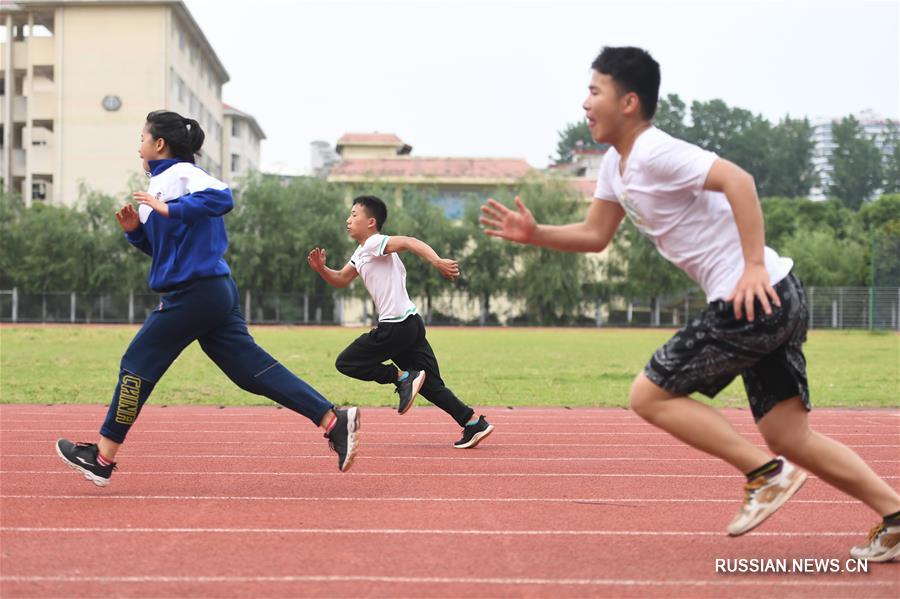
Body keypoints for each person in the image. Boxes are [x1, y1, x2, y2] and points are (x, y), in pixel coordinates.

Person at [480, 46, 900, 561]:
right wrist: (535, 233)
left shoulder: (657, 152)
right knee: (787, 433)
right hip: (778, 293)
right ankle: (895, 516)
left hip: (752, 295)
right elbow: (595, 234)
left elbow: (738, 180)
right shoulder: (616, 164)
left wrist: (751, 267)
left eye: (595, 91)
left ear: (629, 101)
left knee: (649, 395)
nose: (584, 103)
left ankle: (766, 475)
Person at [56, 110, 359, 485]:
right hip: (209, 291)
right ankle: (332, 419)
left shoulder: (183, 174)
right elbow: (169, 252)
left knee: (137, 362)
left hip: (195, 292)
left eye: (142, 139)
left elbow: (223, 197)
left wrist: (170, 207)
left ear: (159, 144)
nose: (139, 149)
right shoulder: (160, 189)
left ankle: (102, 457)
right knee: (247, 369)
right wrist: (137, 233)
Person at [307, 195, 494, 449]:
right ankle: (473, 423)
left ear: (371, 222)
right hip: (411, 324)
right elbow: (341, 278)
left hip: (395, 326)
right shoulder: (362, 251)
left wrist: (435, 260)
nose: (348, 220)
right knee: (429, 384)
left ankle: (401, 376)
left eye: (354, 215)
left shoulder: (374, 242)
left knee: (346, 362)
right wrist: (321, 269)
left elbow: (408, 241)